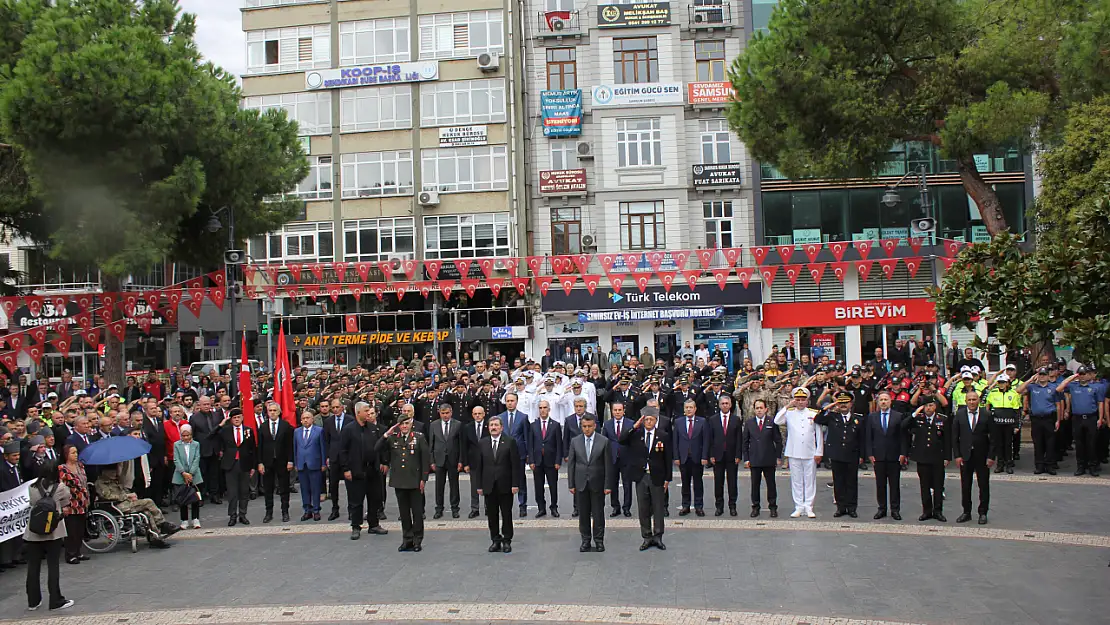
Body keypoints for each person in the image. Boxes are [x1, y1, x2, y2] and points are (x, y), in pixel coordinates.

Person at [24, 462, 74, 611]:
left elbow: (32, 502)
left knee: (33, 566)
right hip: (54, 531)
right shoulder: (61, 487)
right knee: (53, 566)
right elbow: (66, 502)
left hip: (33, 532)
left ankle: (33, 601)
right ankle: (55, 600)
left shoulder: (32, 487)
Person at [376, 414, 430, 552]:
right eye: (402, 424)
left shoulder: (419, 437)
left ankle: (417, 540)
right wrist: (386, 435)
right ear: (398, 426)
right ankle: (407, 539)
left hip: (415, 480)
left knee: (417, 513)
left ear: (411, 424)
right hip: (399, 481)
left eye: (407, 423)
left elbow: (425, 459)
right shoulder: (393, 438)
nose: (404, 426)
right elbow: (376, 448)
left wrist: (423, 479)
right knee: (404, 513)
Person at [620, 407, 671, 550]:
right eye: (646, 419)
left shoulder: (663, 435)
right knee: (643, 508)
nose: (648, 422)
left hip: (657, 476)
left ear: (656, 420)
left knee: (658, 507)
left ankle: (658, 536)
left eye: (651, 419)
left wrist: (667, 479)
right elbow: (622, 440)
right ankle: (647, 536)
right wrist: (634, 426)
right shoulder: (636, 434)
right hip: (641, 476)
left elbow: (668, 458)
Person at [94, 460, 179, 546]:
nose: (115, 473)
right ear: (105, 472)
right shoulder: (100, 483)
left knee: (147, 513)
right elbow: (108, 496)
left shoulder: (115, 481)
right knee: (148, 502)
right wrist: (126, 496)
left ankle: (154, 537)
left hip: (125, 502)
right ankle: (162, 523)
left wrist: (130, 495)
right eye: (112, 472)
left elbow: (123, 491)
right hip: (117, 506)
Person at [338, 402, 389, 540]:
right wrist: (346, 469)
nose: (368, 413)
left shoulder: (373, 428)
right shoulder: (348, 429)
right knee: (356, 501)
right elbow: (343, 450)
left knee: (375, 498)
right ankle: (356, 526)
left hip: (373, 469)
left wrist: (384, 462)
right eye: (366, 411)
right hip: (356, 471)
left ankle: (374, 524)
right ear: (358, 413)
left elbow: (380, 446)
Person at [473, 415, 521, 553]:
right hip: (489, 485)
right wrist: (479, 485)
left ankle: (507, 540)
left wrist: (515, 484)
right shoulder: (482, 443)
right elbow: (479, 466)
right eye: (491, 425)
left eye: (496, 425)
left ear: (501, 427)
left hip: (505, 484)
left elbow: (515, 465)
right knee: (492, 515)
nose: (493, 427)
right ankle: (495, 540)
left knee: (506, 514)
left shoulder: (510, 442)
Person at [815, 391, 866, 518]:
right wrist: (830, 406)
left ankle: (852, 508)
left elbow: (862, 439)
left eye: (846, 402)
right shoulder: (832, 417)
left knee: (851, 482)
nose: (843, 405)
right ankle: (841, 508)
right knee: (838, 482)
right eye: (841, 402)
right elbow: (818, 419)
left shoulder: (858, 419)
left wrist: (862, 455)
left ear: (851, 404)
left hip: (852, 454)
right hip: (837, 454)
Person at [566, 414, 613, 552]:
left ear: (594, 426)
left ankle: (599, 540)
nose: (587, 429)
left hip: (597, 482)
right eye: (584, 426)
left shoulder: (603, 441)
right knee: (583, 514)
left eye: (589, 426)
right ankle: (585, 540)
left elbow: (608, 465)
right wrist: (571, 484)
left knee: (598, 514)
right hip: (581, 483)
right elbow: (571, 464)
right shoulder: (575, 441)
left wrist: (608, 485)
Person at [775, 387, 824, 518]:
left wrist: (819, 452)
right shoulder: (789, 413)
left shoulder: (813, 413)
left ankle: (809, 507)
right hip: (794, 451)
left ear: (807, 401)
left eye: (803, 400)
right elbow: (777, 420)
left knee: (809, 480)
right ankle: (798, 506)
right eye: (798, 399)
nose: (800, 402)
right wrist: (788, 406)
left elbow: (819, 434)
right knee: (796, 481)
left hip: (810, 452)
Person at [951, 391, 996, 525]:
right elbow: (955, 437)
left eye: (974, 399)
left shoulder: (987, 415)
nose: (971, 402)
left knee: (983, 485)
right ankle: (966, 512)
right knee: (965, 485)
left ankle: (983, 513)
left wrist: (991, 456)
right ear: (965, 401)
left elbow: (994, 438)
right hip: (965, 456)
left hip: (982, 456)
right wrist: (957, 455)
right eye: (969, 400)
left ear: (978, 401)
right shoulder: (959, 415)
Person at [904, 397, 950, 522]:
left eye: (931, 405)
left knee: (938, 486)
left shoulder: (942, 419)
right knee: (924, 486)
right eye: (926, 406)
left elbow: (947, 440)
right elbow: (903, 425)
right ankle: (927, 511)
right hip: (922, 457)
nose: (928, 408)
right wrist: (915, 413)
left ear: (935, 406)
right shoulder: (918, 418)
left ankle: (938, 511)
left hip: (937, 457)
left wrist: (947, 457)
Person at [864, 391, 908, 520]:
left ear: (890, 402)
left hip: (894, 456)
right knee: (880, 484)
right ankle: (881, 509)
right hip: (878, 456)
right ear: (878, 402)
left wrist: (903, 453)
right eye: (881, 400)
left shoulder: (898, 416)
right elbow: (868, 437)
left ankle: (895, 510)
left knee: (894, 485)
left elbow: (903, 437)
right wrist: (870, 454)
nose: (883, 402)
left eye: (886, 400)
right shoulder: (872, 417)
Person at [1056, 366, 1105, 476]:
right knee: (1079, 444)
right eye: (1080, 374)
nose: (1082, 376)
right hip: (1077, 419)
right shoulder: (1073, 386)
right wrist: (1073, 377)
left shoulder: (1095, 387)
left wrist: (1100, 418)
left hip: (1091, 418)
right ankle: (1081, 466)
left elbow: (1100, 403)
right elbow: (1059, 388)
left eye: (1084, 374)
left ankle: (1092, 466)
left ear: (1089, 375)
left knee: (1091, 444)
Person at [741, 399, 782, 518]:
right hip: (754, 459)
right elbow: (745, 442)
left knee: (771, 485)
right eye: (757, 408)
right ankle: (755, 507)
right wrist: (746, 459)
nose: (759, 410)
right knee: (755, 485)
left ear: (766, 409)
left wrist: (778, 456)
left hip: (769, 458)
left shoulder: (772, 422)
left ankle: (773, 507)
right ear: (754, 410)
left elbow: (778, 441)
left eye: (761, 408)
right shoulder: (749, 423)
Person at [217, 408, 256, 526]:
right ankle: (232, 515)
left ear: (242, 418)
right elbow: (213, 437)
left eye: (239, 417)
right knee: (232, 492)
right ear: (231, 419)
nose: (237, 419)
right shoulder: (225, 431)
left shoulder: (248, 430)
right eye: (234, 418)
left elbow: (253, 449)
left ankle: (243, 514)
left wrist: (253, 466)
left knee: (244, 491)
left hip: (245, 464)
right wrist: (220, 425)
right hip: (231, 464)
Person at [257, 402, 294, 523]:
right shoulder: (263, 426)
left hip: (282, 461)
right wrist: (260, 462)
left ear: (279, 412)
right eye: (270, 410)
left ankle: (285, 512)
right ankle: (269, 513)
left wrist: (290, 460)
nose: (272, 413)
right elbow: (260, 446)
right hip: (267, 462)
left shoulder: (285, 426)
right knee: (268, 488)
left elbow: (290, 445)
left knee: (284, 488)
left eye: (274, 410)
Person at [1020, 367, 1060, 474]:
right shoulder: (1032, 387)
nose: (1042, 377)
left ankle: (1050, 465)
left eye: (1044, 375)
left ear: (1048, 376)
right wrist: (1031, 379)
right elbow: (1018, 390)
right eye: (1040, 374)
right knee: (1038, 443)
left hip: (1049, 418)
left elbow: (1058, 405)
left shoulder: (1053, 387)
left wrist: (1058, 420)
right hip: (1036, 419)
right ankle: (1039, 466)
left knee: (1050, 443)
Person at [673, 399, 709, 516]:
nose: (689, 409)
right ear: (684, 409)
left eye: (691, 407)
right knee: (685, 483)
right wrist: (676, 457)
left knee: (698, 483)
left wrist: (704, 456)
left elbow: (705, 440)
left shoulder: (702, 421)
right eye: (687, 407)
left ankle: (699, 506)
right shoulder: (678, 422)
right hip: (683, 458)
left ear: (695, 409)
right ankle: (685, 506)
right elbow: (675, 441)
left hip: (697, 458)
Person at [707, 395, 741, 517]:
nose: (725, 405)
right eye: (723, 403)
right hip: (718, 455)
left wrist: (738, 454)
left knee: (732, 483)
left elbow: (739, 439)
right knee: (718, 482)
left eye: (727, 403)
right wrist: (711, 455)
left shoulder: (736, 419)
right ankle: (719, 507)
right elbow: (710, 439)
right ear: (719, 405)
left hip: (732, 456)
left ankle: (732, 506)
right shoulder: (713, 419)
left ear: (730, 405)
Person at [528, 399, 562, 518]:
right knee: (538, 486)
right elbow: (530, 444)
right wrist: (531, 460)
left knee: (553, 485)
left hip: (551, 461)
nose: (542, 410)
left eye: (545, 408)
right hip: (537, 461)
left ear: (549, 409)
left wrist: (558, 461)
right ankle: (541, 508)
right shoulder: (533, 425)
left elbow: (559, 444)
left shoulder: (555, 425)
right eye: (540, 408)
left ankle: (554, 507)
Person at [429, 403, 463, 519]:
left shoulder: (458, 424)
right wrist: (431, 461)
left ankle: (455, 508)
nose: (445, 415)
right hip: (439, 459)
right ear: (439, 413)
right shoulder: (434, 425)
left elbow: (461, 444)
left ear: (451, 412)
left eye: (447, 413)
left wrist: (460, 460)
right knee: (439, 486)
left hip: (453, 459)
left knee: (454, 485)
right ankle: (439, 509)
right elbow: (431, 444)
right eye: (443, 413)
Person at [497, 393, 530, 516]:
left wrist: (528, 454)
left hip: (519, 453)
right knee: (504, 480)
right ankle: (506, 505)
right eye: (508, 401)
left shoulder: (523, 417)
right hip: (504, 453)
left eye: (512, 400)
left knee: (520, 480)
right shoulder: (500, 417)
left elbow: (526, 437)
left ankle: (523, 505)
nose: (510, 403)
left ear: (516, 402)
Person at [56, 445, 89, 563]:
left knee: (80, 530)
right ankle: (70, 554)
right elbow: (61, 487)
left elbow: (84, 482)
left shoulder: (80, 466)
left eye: (76, 452)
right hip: (70, 503)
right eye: (73, 453)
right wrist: (63, 504)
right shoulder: (62, 468)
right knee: (72, 530)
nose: (76, 455)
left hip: (82, 502)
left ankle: (78, 552)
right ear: (66, 455)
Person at [601, 402, 633, 517]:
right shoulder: (607, 424)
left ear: (623, 411)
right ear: (612, 411)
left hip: (626, 458)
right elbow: (604, 441)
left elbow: (633, 442)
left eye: (620, 410)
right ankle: (615, 507)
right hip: (612, 458)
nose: (617, 412)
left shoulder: (630, 423)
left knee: (627, 484)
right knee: (613, 484)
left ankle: (627, 508)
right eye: (615, 410)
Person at [188, 397, 223, 505]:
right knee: (201, 474)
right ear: (200, 405)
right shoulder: (194, 418)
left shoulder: (216, 415)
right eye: (204, 404)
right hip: (201, 449)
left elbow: (220, 433)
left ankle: (214, 495)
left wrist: (221, 448)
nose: (207, 406)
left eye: (208, 404)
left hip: (214, 449)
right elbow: (192, 435)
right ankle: (201, 497)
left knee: (214, 474)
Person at [294, 409, 327, 521]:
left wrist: (323, 463)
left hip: (315, 463)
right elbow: (295, 448)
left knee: (315, 488)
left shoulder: (319, 431)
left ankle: (316, 510)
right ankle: (307, 510)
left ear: (312, 419)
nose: (305, 420)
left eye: (307, 418)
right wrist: (296, 463)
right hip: (302, 464)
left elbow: (322, 448)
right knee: (304, 489)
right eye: (303, 418)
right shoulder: (297, 432)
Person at [985, 374, 1022, 474]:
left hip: (1009, 424)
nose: (1001, 384)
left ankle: (1009, 464)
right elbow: (987, 407)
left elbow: (1016, 411)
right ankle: (1000, 465)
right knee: (998, 444)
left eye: (1003, 382)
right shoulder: (993, 393)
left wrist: (1016, 425)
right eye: (999, 382)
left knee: (1008, 445)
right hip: (996, 423)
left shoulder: (1014, 394)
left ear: (1007, 383)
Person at [172, 424, 203, 530]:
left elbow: (197, 458)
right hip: (180, 475)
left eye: (187, 435)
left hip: (194, 475)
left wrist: (191, 473)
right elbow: (176, 459)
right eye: (183, 435)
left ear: (191, 435)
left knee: (195, 498)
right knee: (183, 498)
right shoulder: (176, 444)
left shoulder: (196, 444)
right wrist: (183, 473)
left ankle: (195, 519)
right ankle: (184, 520)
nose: (185, 437)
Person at [462, 405, 489, 519]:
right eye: (475, 414)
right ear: (472, 415)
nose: (477, 416)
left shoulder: (489, 425)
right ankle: (475, 508)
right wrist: (465, 463)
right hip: (473, 461)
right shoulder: (467, 427)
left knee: (488, 484)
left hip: (487, 461)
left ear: (484, 414)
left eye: (479, 413)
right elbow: (464, 446)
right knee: (474, 486)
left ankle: (488, 507)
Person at [324, 401, 350, 521]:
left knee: (350, 485)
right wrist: (328, 456)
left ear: (342, 407)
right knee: (333, 485)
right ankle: (335, 509)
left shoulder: (350, 420)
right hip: (334, 457)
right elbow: (326, 440)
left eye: (337, 407)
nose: (335, 409)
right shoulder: (328, 422)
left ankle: (351, 509)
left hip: (347, 457)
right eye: (333, 407)